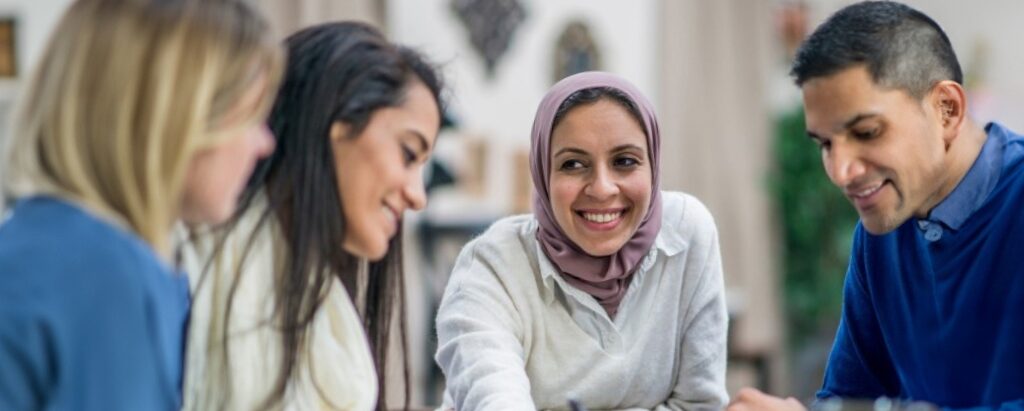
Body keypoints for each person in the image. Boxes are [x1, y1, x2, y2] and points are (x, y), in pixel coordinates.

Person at [728, 2, 1024, 410]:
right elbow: (849, 400)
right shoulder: (881, 236)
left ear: (947, 110)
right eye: (826, 144)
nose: (841, 171)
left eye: (866, 132)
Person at [0, 0, 282, 409]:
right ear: (178, 116)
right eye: (251, 118)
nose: (264, 143)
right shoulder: (105, 275)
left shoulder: (32, 242)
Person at [181, 21, 443, 411]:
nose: (418, 197)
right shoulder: (183, 270)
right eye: (407, 154)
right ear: (338, 123)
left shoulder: (328, 320)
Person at [435, 71, 728, 410]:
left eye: (625, 161)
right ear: (543, 172)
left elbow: (700, 404)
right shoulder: (492, 266)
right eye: (573, 164)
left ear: (653, 166)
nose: (602, 188)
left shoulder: (687, 233)